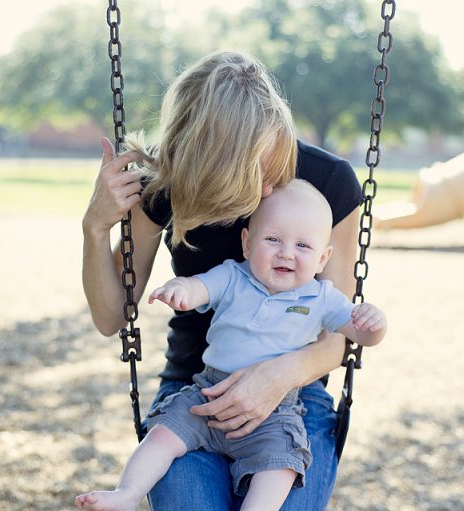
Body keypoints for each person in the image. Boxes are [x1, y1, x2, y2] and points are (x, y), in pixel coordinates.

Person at [81, 50, 370, 510]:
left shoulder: (329, 182)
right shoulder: (169, 183)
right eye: (255, 170)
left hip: (295, 396)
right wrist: (95, 228)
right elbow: (110, 316)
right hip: (195, 389)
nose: (272, 188)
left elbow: (343, 334)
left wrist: (277, 376)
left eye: (274, 157)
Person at [76, 180, 387, 511]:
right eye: (272, 240)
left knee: (282, 465)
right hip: (207, 391)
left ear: (323, 258)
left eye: (302, 246)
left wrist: (373, 324)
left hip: (276, 410)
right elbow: (200, 288)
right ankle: (127, 493)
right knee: (163, 435)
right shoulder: (234, 276)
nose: (286, 253)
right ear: (247, 244)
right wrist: (181, 290)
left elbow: (358, 336)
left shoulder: (321, 298)